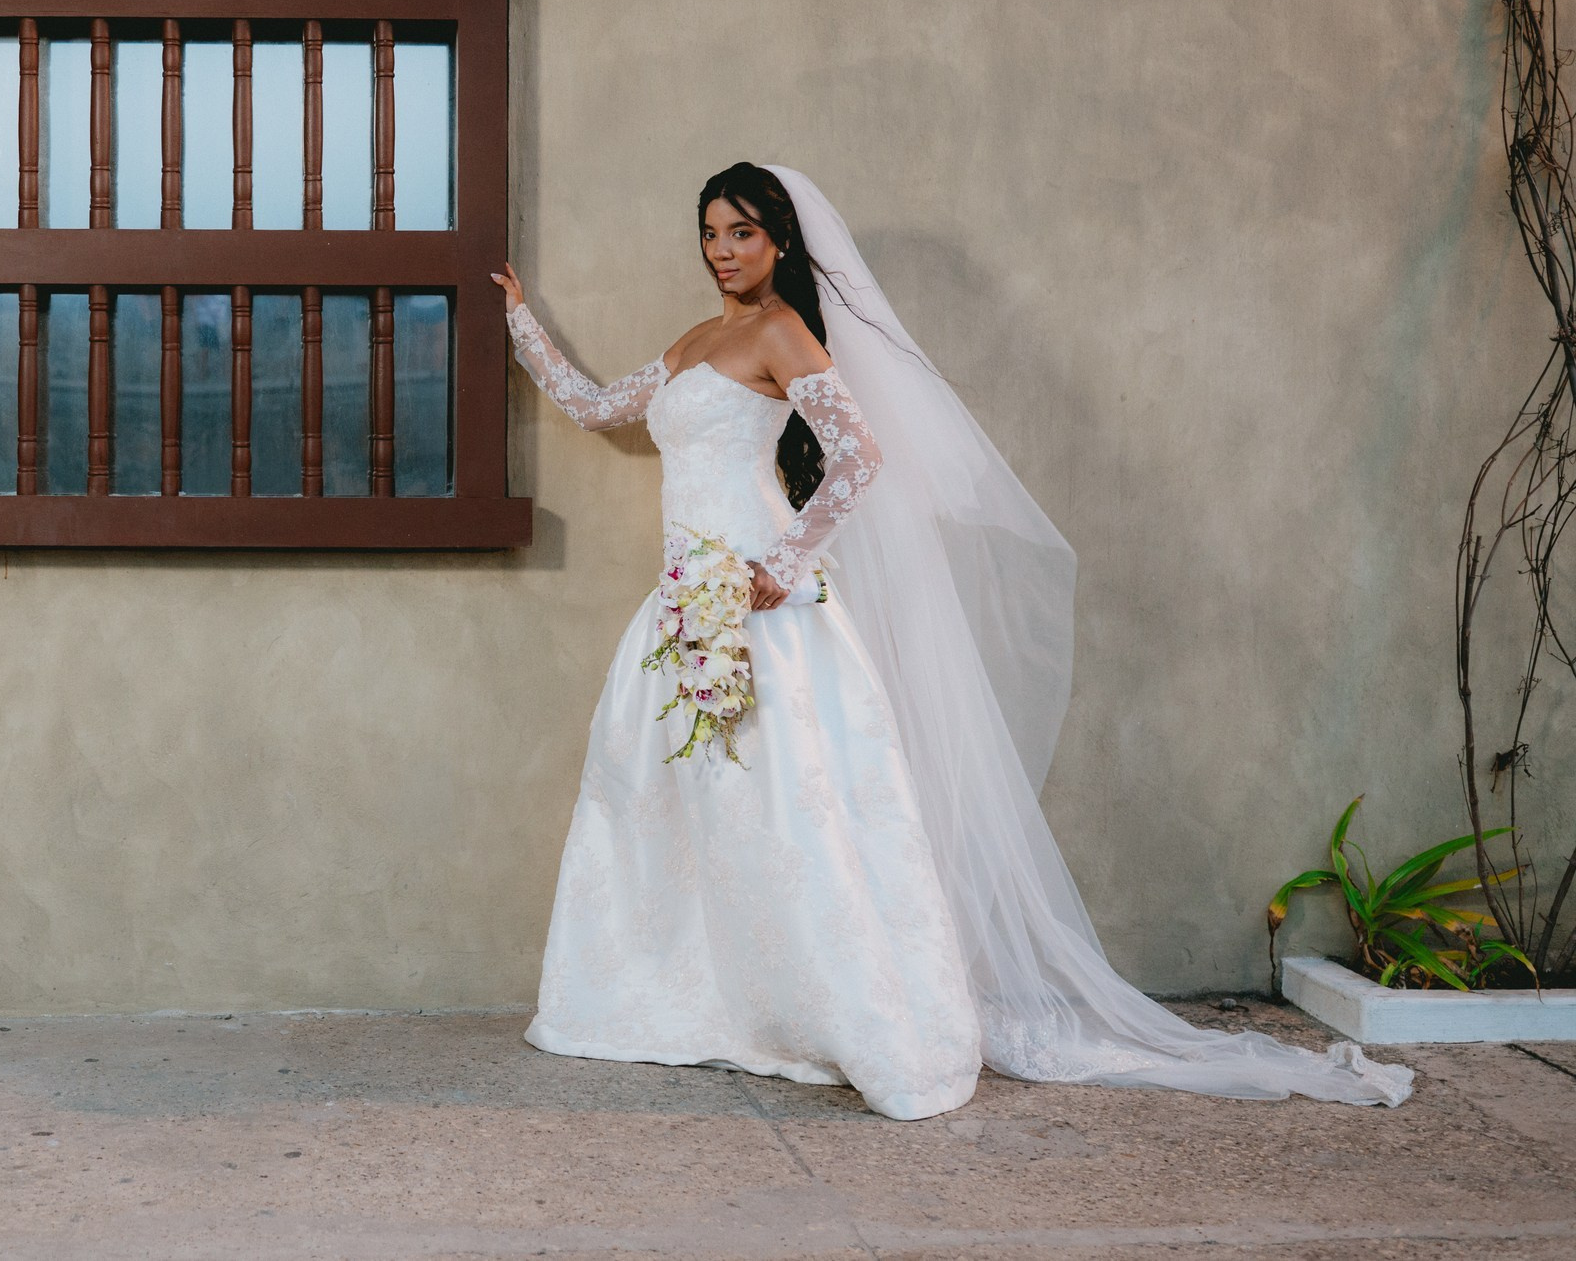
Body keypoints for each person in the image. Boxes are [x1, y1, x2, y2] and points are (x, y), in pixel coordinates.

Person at [496, 162, 1410, 1119]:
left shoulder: (779, 330)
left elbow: (858, 455)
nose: (723, 252)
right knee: (683, 809)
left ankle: (836, 1012)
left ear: (781, 243)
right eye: (712, 233)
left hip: (758, 609)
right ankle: (709, 1001)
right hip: (683, 609)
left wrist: (781, 563)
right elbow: (600, 407)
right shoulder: (695, 341)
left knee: (788, 813)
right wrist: (522, 320)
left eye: (743, 234)